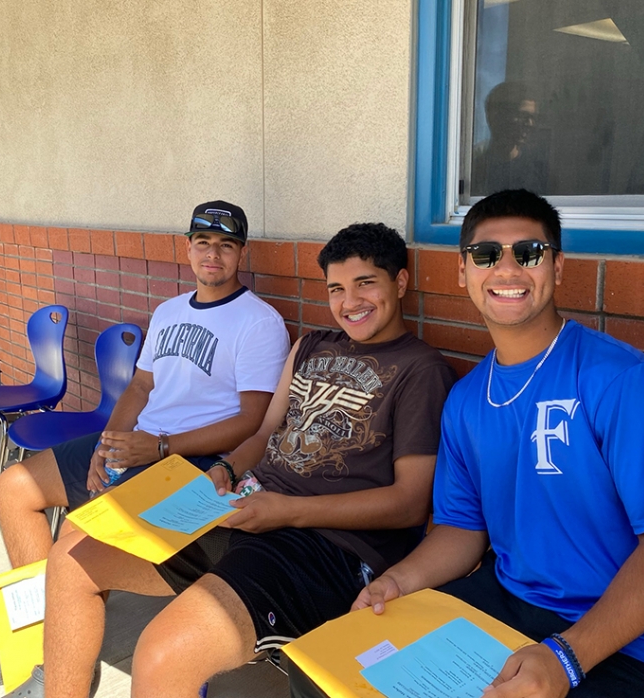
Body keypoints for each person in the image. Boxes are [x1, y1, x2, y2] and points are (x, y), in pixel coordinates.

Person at [291, 189, 644, 698]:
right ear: (463, 271)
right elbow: (461, 530)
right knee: (329, 677)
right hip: (511, 602)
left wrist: (566, 659)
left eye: (528, 252)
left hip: (637, 639)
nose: (507, 270)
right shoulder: (466, 400)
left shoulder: (624, 381)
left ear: (556, 266)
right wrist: (397, 581)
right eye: (487, 255)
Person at [26, 223, 456, 698]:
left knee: (162, 654)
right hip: (247, 510)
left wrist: (285, 511)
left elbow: (410, 503)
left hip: (324, 546)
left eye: (365, 284)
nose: (349, 301)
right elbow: (266, 431)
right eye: (336, 288)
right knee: (70, 561)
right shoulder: (311, 346)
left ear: (399, 282)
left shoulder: (421, 370)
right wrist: (225, 470)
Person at [0, 200, 291, 691]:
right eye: (203, 243)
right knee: (15, 489)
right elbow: (139, 389)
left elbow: (251, 423)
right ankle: (50, 647)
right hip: (142, 443)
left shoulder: (258, 321)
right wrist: (106, 445)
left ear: (240, 254)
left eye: (226, 246)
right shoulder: (168, 311)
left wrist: (158, 448)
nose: (213, 255)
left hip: (188, 459)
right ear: (188, 248)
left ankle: (64, 664)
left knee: (74, 548)